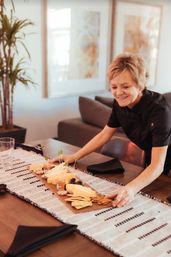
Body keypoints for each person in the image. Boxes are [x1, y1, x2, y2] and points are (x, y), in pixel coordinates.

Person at [51, 52, 171, 207]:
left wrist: (131, 189)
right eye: (114, 87)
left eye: (126, 86)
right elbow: (104, 135)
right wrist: (74, 156)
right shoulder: (120, 104)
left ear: (140, 84)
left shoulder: (159, 110)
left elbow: (157, 165)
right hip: (156, 163)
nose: (118, 93)